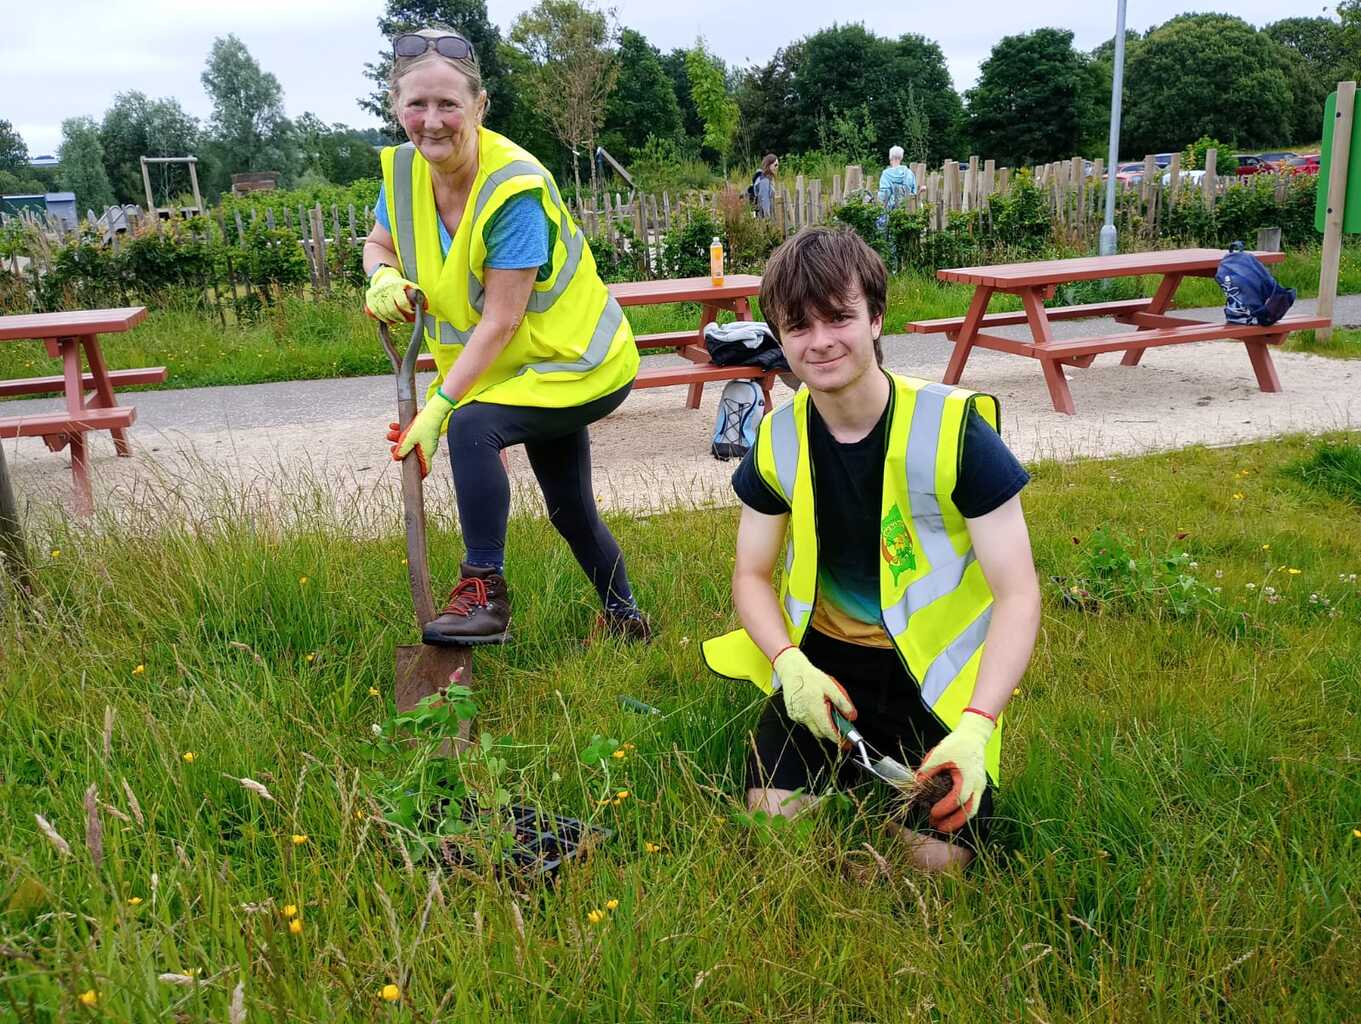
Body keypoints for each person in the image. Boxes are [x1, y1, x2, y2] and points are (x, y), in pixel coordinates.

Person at [701, 227, 1040, 872]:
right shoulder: (776, 439)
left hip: (931, 680)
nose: (820, 341)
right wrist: (788, 665)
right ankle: (849, 786)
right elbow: (750, 573)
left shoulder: (953, 430)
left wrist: (977, 725)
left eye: (839, 316)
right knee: (772, 826)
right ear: (778, 335)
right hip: (826, 669)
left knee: (934, 867)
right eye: (798, 325)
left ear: (877, 317)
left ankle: (902, 790)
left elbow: (1020, 595)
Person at [362, 26, 650, 645]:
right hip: (516, 372)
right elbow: (379, 242)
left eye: (448, 105)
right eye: (417, 104)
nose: (432, 121)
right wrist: (380, 277)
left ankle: (484, 594)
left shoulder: (513, 186)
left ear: (479, 107)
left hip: (581, 363)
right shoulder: (405, 174)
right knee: (571, 509)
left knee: (472, 426)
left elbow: (502, 317)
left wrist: (441, 406)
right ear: (396, 107)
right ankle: (627, 621)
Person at [877, 146, 917, 210]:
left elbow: (884, 194)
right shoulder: (909, 173)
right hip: (907, 207)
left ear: (890, 158)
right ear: (901, 158)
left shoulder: (885, 174)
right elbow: (914, 192)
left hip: (891, 210)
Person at [754, 154, 779, 219]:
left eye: (778, 165)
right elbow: (765, 201)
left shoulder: (768, 179)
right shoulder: (764, 180)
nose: (777, 167)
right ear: (769, 165)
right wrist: (768, 221)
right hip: (764, 219)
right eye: (775, 165)